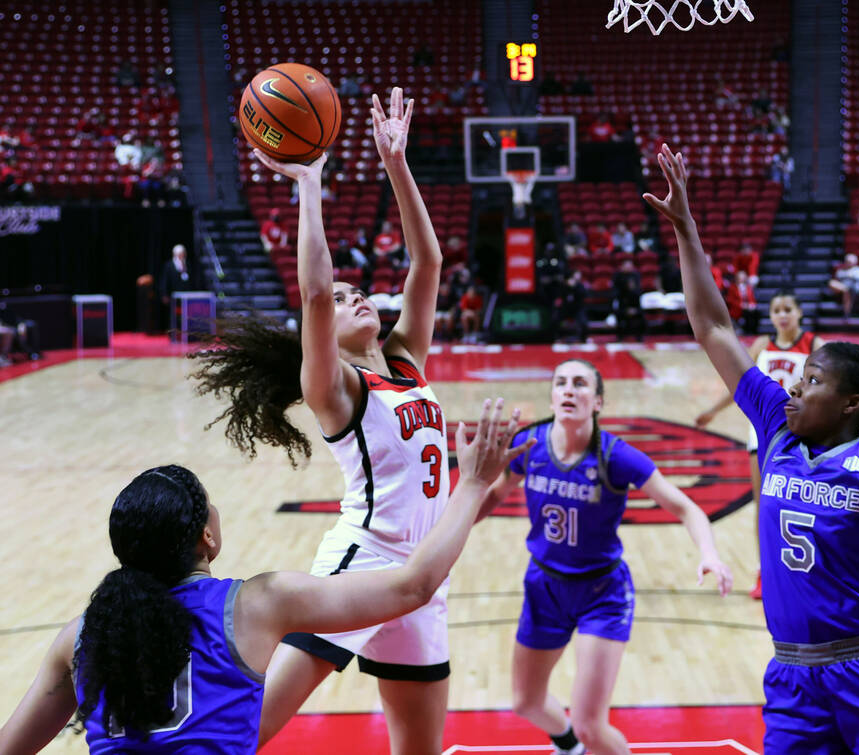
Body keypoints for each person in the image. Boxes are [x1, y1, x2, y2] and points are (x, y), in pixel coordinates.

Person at [644, 143, 859, 753]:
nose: (794, 385)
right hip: (794, 676)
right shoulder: (777, 427)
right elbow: (714, 328)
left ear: (851, 405)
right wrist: (686, 231)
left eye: (811, 382)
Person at [0, 402, 528, 753]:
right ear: (206, 536)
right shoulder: (257, 603)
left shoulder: (81, 634)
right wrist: (474, 483)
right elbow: (414, 586)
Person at [187, 87, 456, 753]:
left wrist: (395, 162)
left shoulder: (406, 360)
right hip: (362, 565)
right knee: (253, 728)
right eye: (341, 298)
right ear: (321, 334)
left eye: (357, 289)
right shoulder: (334, 386)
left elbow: (428, 263)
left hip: (427, 578)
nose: (353, 294)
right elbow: (311, 290)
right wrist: (310, 182)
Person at [476, 358, 733, 755]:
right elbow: (491, 496)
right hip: (544, 585)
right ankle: (567, 745)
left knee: (591, 726)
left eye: (580, 384)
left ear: (597, 401)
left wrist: (709, 554)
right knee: (526, 702)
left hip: (601, 592)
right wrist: (444, 535)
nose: (568, 390)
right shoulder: (531, 445)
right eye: (560, 382)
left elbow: (686, 507)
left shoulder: (616, 455)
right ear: (551, 395)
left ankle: (584, 741)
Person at [695, 291, 823, 599]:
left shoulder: (814, 345)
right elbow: (740, 384)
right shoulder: (762, 346)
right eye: (777, 309)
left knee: (806, 503)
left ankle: (809, 569)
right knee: (765, 504)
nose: (782, 315)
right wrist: (713, 410)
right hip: (764, 432)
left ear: (799, 313)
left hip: (804, 433)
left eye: (788, 309)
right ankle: (765, 571)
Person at [828, 253, 859, 317]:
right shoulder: (841, 270)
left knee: (847, 290)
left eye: (850, 262)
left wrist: (848, 276)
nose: (848, 263)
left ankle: (846, 313)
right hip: (841, 290)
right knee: (831, 282)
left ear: (855, 262)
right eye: (847, 261)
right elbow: (837, 279)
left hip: (855, 290)